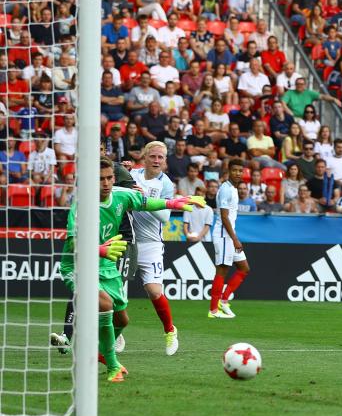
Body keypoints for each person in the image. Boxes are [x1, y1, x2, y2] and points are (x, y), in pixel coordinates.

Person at [52, 159, 202, 382]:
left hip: (105, 264)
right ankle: (112, 366)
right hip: (76, 265)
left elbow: (146, 203)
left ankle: (96, 353)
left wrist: (174, 204)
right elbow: (74, 245)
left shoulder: (121, 196)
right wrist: (100, 250)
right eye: (100, 179)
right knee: (105, 304)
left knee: (122, 320)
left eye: (109, 178)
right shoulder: (81, 206)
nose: (105, 183)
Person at [128, 142, 180, 356]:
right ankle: (117, 334)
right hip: (126, 241)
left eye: (160, 157)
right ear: (145, 156)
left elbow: (165, 217)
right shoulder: (131, 174)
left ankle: (170, 331)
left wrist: (144, 199)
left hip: (151, 244)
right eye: (153, 156)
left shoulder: (166, 185)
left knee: (154, 291)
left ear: (165, 160)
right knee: (115, 295)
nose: (156, 161)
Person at [209, 159, 251, 319]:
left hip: (229, 235)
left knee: (244, 268)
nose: (238, 173)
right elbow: (224, 217)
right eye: (235, 170)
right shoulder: (226, 190)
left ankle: (224, 300)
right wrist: (234, 239)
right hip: (223, 235)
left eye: (241, 170)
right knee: (222, 270)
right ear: (228, 171)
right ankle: (213, 310)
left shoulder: (233, 188)